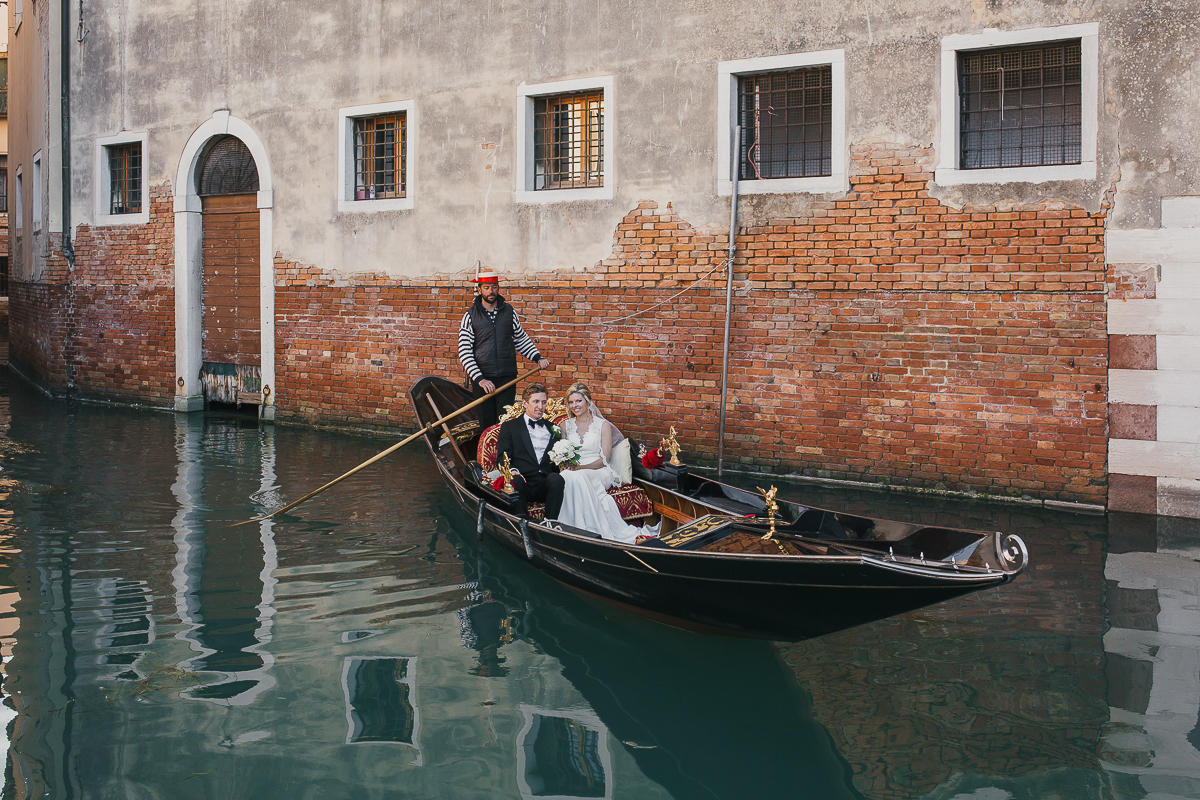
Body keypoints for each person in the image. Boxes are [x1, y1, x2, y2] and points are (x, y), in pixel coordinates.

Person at [556, 382, 661, 544]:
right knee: (566, 476)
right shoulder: (565, 426)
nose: (574, 405)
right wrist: (565, 463)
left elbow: (604, 459)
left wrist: (580, 468)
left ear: (588, 401)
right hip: (574, 471)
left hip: (599, 470)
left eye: (578, 401)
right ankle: (572, 528)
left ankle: (588, 530)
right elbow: (561, 454)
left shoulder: (602, 425)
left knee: (576, 476)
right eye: (571, 402)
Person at [458, 269, 551, 430]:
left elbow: (520, 338)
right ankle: (488, 454)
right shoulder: (470, 316)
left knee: (505, 423)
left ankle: (504, 454)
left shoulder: (509, 312)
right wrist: (480, 379)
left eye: (494, 287)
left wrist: (538, 358)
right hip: (483, 379)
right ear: (479, 290)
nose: (490, 291)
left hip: (507, 377)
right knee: (486, 425)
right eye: (486, 288)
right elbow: (465, 351)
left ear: (498, 288)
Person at [496, 383, 565, 521]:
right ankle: (522, 522)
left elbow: (558, 461)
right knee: (516, 481)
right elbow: (502, 457)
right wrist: (513, 470)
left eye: (544, 402)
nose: (540, 407)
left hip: (544, 484)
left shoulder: (554, 429)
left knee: (557, 479)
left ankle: (549, 524)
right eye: (536, 402)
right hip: (522, 482)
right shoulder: (510, 427)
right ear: (525, 403)